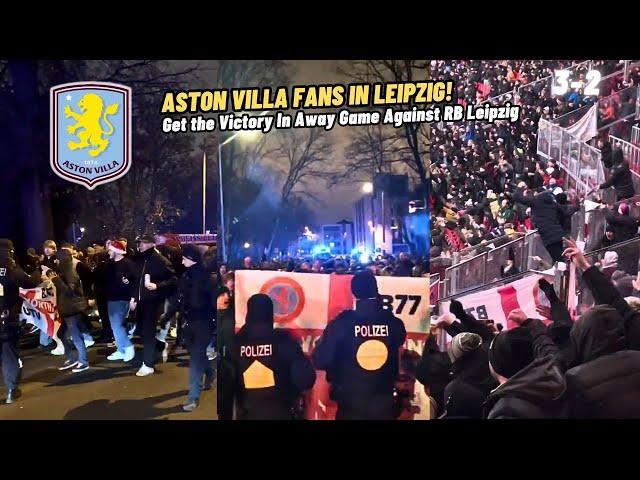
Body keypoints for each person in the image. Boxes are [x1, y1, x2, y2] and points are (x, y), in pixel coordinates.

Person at [560, 237, 640, 417]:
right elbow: (616, 302)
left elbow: (616, 303)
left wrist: (585, 266)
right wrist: (585, 267)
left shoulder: (576, 381)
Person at [312, 270, 406, 419]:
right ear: (376, 290)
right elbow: (399, 342)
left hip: (350, 403)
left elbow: (320, 360)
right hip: (384, 403)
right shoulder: (393, 323)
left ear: (354, 292)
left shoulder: (341, 324)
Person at [232, 294, 316, 420]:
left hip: (246, 413)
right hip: (281, 412)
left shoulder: (235, 344)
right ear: (270, 314)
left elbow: (226, 385)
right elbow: (306, 380)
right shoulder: (284, 342)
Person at [483, 309, 566, 419]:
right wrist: (529, 323)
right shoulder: (554, 374)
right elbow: (547, 348)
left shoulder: (505, 413)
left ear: (497, 365)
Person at [0, 239, 42, 403]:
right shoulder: (12, 271)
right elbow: (31, 283)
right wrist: (39, 268)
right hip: (7, 320)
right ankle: (11, 390)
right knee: (9, 355)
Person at [129, 234, 177, 377]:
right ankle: (160, 345)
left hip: (154, 302)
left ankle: (148, 364)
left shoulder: (160, 260)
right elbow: (135, 281)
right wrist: (133, 298)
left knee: (147, 333)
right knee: (142, 332)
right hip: (140, 302)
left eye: (142, 243)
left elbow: (173, 280)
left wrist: (157, 286)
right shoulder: (138, 259)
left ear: (151, 244)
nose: (139, 245)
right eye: (138, 243)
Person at [177, 245, 216, 412]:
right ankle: (211, 373)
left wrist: (215, 326)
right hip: (188, 323)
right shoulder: (185, 275)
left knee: (195, 360)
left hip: (203, 323)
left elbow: (214, 302)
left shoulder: (207, 278)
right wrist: (166, 318)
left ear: (191, 258)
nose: (181, 260)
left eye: (184, 258)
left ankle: (193, 397)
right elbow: (180, 300)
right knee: (196, 356)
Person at [49, 246, 90, 373]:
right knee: (61, 334)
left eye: (57, 259)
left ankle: (83, 361)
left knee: (76, 336)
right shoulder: (63, 270)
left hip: (72, 309)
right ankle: (72, 358)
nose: (56, 261)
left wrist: (55, 280)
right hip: (65, 309)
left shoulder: (70, 271)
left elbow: (70, 291)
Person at [511, 184, 569, 262]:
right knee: (559, 257)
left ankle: (564, 272)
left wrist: (519, 187)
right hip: (558, 234)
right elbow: (564, 212)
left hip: (548, 236)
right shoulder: (552, 202)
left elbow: (516, 197)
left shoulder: (536, 201)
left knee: (558, 259)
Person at [104, 240, 137, 362]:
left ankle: (128, 347)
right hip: (111, 299)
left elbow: (134, 282)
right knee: (115, 327)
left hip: (122, 299)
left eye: (110, 249)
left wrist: (134, 298)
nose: (108, 252)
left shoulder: (128, 264)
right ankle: (121, 349)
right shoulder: (110, 264)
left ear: (117, 251)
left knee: (118, 326)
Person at [217, 286, 235, 420]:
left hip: (227, 366)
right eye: (222, 295)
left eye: (227, 294)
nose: (226, 297)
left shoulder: (231, 317)